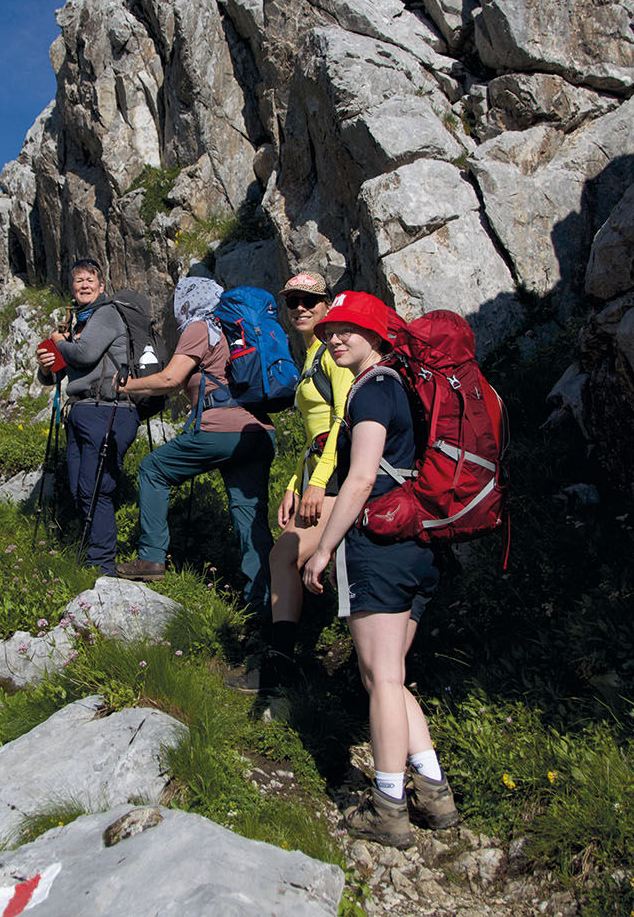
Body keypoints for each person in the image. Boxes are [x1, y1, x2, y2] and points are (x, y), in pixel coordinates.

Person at [302, 290, 458, 848]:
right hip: (415, 547)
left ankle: (389, 807)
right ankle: (435, 795)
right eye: (329, 332)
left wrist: (323, 550)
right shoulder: (400, 386)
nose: (334, 337)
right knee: (388, 676)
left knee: (383, 680)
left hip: (381, 547)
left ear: (375, 335)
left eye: (347, 329)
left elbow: (363, 478)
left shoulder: (373, 391)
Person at [116, 277, 274, 610]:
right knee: (248, 514)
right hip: (259, 431)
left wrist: (128, 386)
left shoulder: (201, 327)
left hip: (222, 428)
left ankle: (150, 558)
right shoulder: (238, 328)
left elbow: (172, 378)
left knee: (153, 469)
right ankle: (263, 601)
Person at [265, 272, 354, 687]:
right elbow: (311, 436)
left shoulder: (334, 353)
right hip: (319, 468)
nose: (300, 307)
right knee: (313, 564)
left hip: (337, 471)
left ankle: (282, 665)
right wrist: (293, 485)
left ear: (327, 305)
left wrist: (317, 482)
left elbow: (341, 419)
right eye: (292, 301)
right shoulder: (312, 354)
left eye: (310, 300)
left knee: (285, 557)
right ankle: (295, 661)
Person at [35, 258, 139, 576]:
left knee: (96, 486)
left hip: (107, 409)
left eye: (90, 279)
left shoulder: (106, 315)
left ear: (101, 286)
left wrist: (60, 342)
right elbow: (55, 377)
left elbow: (84, 355)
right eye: (79, 280)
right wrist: (45, 365)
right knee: (82, 488)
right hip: (82, 410)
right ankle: (93, 555)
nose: (84, 284)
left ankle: (103, 564)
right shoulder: (80, 323)